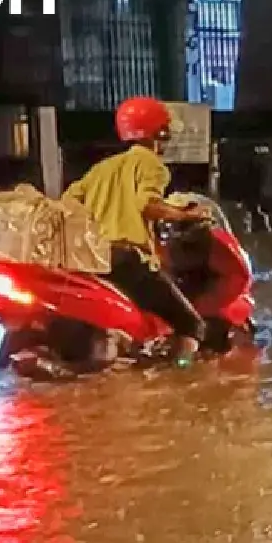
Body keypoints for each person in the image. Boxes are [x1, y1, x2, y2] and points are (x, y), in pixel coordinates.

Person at [64, 96, 207, 365]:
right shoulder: (152, 165)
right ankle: (180, 381)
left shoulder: (101, 169)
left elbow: (68, 203)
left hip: (92, 260)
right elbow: (148, 204)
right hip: (128, 261)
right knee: (192, 325)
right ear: (160, 132)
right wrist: (185, 214)